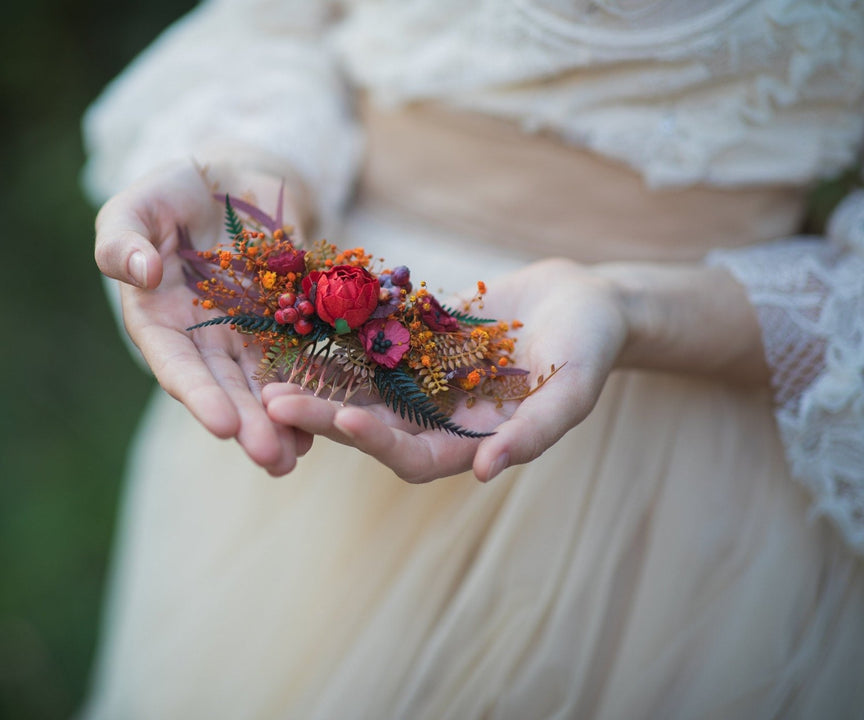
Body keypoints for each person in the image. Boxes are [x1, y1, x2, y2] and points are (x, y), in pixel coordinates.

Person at [81, 1, 864, 717]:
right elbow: (275, 29)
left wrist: (635, 309)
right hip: (314, 377)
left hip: (687, 474)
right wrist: (256, 172)